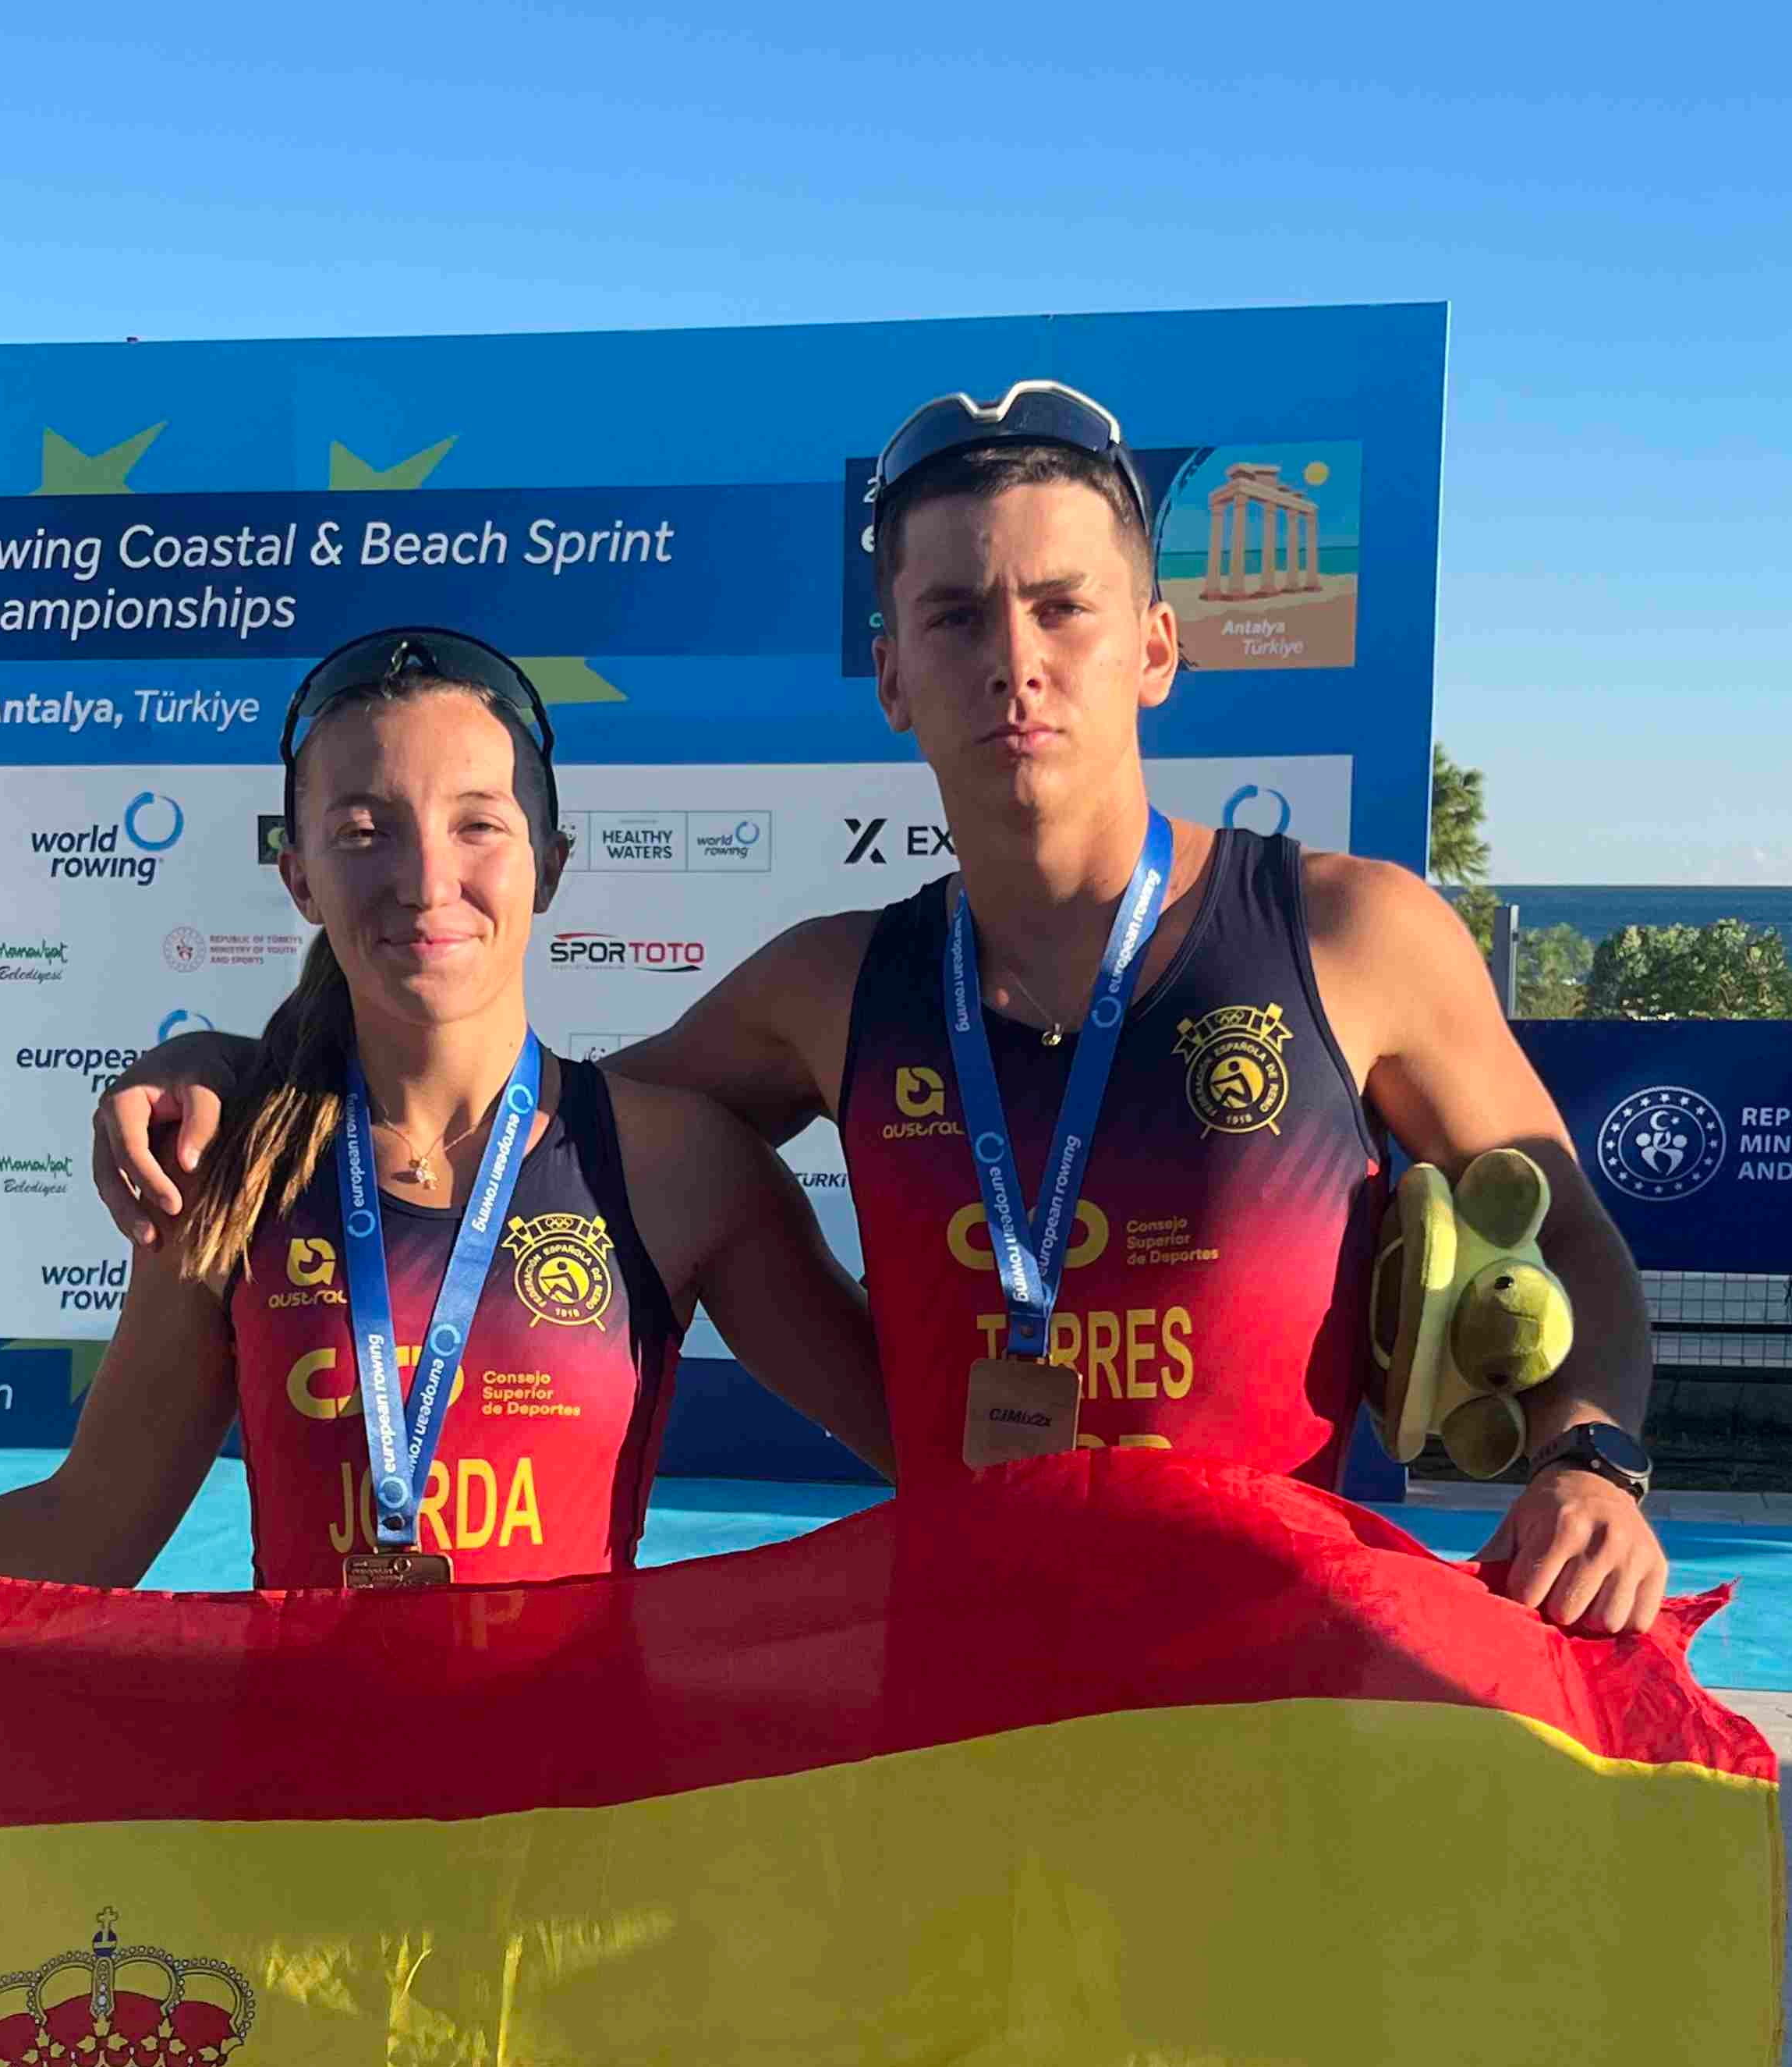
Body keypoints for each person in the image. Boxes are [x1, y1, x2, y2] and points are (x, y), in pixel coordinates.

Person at [99, 380, 1667, 1642]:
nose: (1016, 666)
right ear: (893, 678)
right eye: (957, 620)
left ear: (1157, 649)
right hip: (957, 1722)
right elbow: (509, 1120)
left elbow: (1577, 1237)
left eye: (1062, 610)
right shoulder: (831, 989)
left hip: (1274, 1691)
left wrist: (1591, 1459)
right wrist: (231, 1072)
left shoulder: (1352, 932)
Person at [0, 630, 889, 1615]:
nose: (425, 878)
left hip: (584, 1844)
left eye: (477, 824)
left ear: (551, 860)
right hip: (299, 1843)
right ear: (298, 872)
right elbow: (91, 1525)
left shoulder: (676, 1164)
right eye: (364, 831)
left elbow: (932, 1452)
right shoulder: (236, 1169)